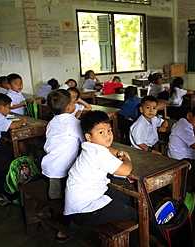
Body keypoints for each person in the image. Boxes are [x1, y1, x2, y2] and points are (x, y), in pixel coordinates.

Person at [64, 111, 137, 246]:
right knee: (132, 213)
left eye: (109, 130)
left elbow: (107, 149)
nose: (108, 135)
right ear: (89, 137)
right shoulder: (98, 153)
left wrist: (117, 152)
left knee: (126, 197)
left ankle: (120, 221)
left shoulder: (90, 147)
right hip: (84, 210)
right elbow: (126, 170)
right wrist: (126, 159)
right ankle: (136, 242)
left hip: (80, 201)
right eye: (101, 132)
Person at [41, 89, 84, 242]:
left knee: (55, 197)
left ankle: (56, 219)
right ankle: (62, 230)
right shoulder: (74, 123)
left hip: (49, 167)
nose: (75, 104)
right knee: (66, 199)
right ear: (68, 108)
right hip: (63, 170)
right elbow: (85, 142)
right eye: (73, 102)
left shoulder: (52, 122)